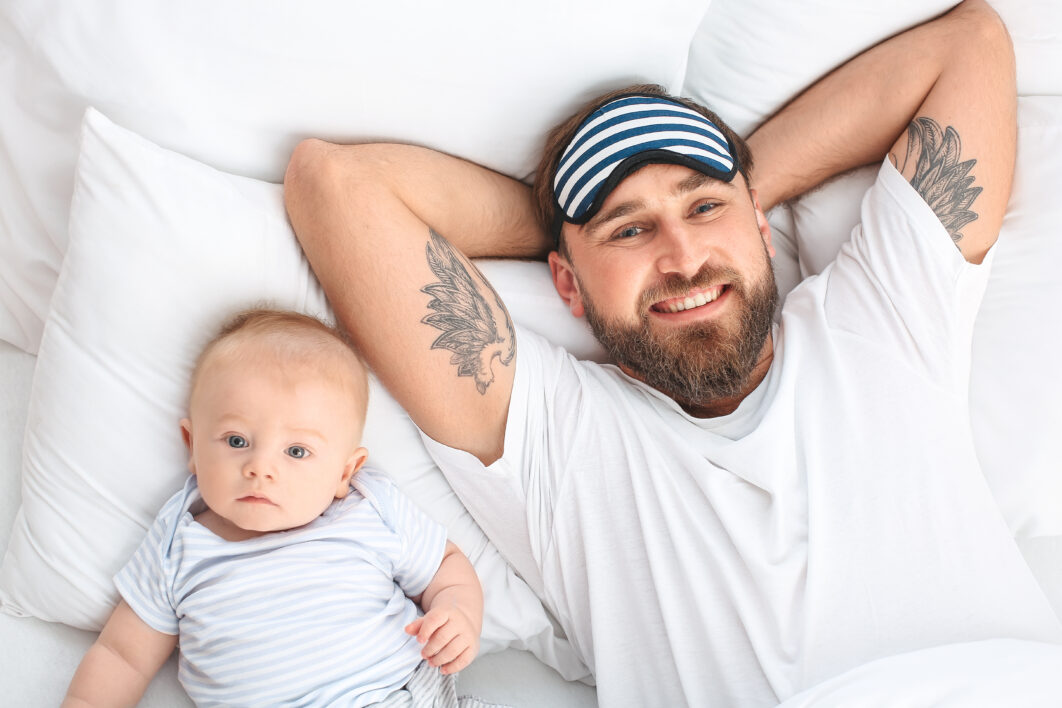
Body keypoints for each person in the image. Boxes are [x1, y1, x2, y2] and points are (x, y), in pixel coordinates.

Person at [283, 1, 1062, 705]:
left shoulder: (882, 317)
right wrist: (572, 227)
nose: (684, 256)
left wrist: (719, 186)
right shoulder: (558, 440)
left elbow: (971, 44)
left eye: (704, 208)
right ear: (567, 285)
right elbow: (334, 183)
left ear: (761, 224)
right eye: (630, 229)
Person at [63, 309, 486, 708]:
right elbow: (122, 656)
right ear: (192, 447)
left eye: (297, 451)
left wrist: (457, 610)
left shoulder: (370, 508)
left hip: (394, 694)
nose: (260, 468)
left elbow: (445, 563)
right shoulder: (177, 544)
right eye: (236, 441)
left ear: (345, 471)